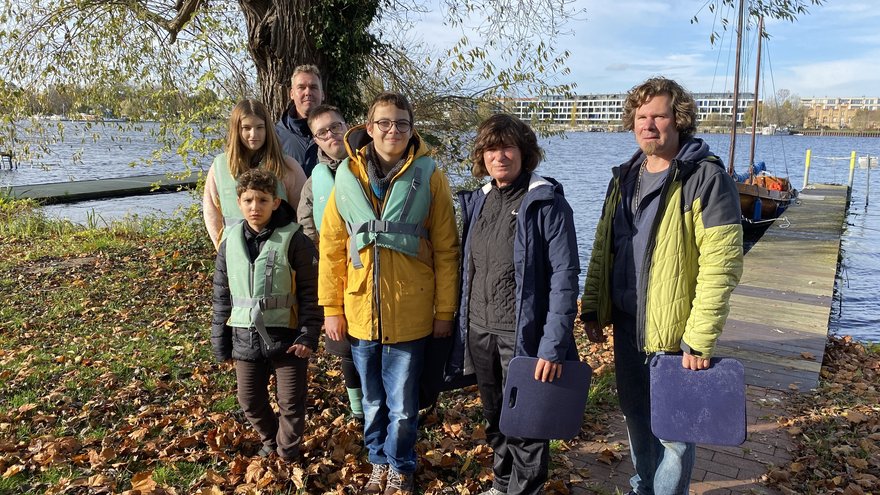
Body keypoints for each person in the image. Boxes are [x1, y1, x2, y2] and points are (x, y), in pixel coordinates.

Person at [580, 77, 744, 495]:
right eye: (641, 116)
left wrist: (700, 338)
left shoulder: (704, 178)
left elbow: (721, 265)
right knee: (635, 415)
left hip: (675, 334)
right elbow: (605, 248)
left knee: (673, 433)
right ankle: (643, 488)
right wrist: (595, 308)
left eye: (658, 115)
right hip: (629, 325)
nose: (648, 124)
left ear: (679, 120)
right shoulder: (623, 178)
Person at [318, 91, 460, 495]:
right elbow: (330, 248)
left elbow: (448, 248)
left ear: (412, 129)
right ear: (368, 127)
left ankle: (400, 466)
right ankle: (377, 462)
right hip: (360, 310)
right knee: (373, 402)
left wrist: (444, 311)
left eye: (401, 123)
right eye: (384, 122)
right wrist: (331, 308)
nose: (392, 130)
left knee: (402, 406)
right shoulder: (347, 175)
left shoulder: (429, 175)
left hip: (410, 311)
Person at [448, 114, 581, 495]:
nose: (499, 156)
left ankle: (526, 489)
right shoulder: (480, 201)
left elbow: (564, 278)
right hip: (480, 330)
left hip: (523, 335)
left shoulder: (546, 202)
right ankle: (502, 483)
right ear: (482, 156)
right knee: (495, 417)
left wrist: (553, 346)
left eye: (507, 147)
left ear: (525, 153)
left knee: (526, 422)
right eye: (491, 148)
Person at [210, 168, 321, 462]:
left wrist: (309, 334)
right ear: (238, 202)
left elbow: (312, 293)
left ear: (275, 201)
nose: (254, 207)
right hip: (244, 337)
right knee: (250, 401)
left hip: (288, 336)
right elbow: (222, 295)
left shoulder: (296, 240)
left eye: (262, 200)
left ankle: (287, 456)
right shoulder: (229, 241)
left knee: (291, 402)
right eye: (248, 200)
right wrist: (221, 344)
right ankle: (271, 441)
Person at [296, 104, 364, 422]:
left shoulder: (370, 163)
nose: (331, 135)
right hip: (337, 270)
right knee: (344, 346)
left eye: (335, 127)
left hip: (375, 268)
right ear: (316, 141)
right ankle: (357, 408)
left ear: (346, 125)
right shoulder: (315, 181)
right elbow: (307, 223)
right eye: (322, 132)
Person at [203, 99, 308, 249]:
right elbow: (211, 212)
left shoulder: (286, 166)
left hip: (278, 252)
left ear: (267, 129)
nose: (254, 134)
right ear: (236, 130)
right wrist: (222, 248)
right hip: (235, 252)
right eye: (246, 128)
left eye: (260, 127)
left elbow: (304, 211)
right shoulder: (219, 167)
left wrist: (298, 250)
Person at [276, 64, 324, 177]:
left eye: (313, 87)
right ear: (292, 94)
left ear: (323, 94)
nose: (308, 92)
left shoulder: (338, 134)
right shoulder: (274, 137)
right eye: (301, 87)